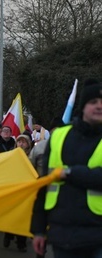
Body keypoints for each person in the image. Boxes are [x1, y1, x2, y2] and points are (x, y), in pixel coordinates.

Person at [31, 80, 102, 258]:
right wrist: (39, 230)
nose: (99, 106)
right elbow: (45, 183)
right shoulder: (59, 137)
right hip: (63, 233)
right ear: (83, 106)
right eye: (94, 102)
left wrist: (68, 173)